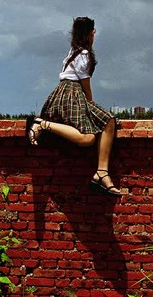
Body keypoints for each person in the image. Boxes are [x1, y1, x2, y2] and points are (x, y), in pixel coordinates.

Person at [26, 17, 122, 197]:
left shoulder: (74, 51)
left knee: (109, 120)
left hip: (65, 92)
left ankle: (102, 172)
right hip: (72, 93)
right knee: (88, 138)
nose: (95, 34)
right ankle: (42, 124)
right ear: (89, 33)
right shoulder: (83, 54)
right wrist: (91, 106)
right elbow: (86, 87)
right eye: (93, 31)